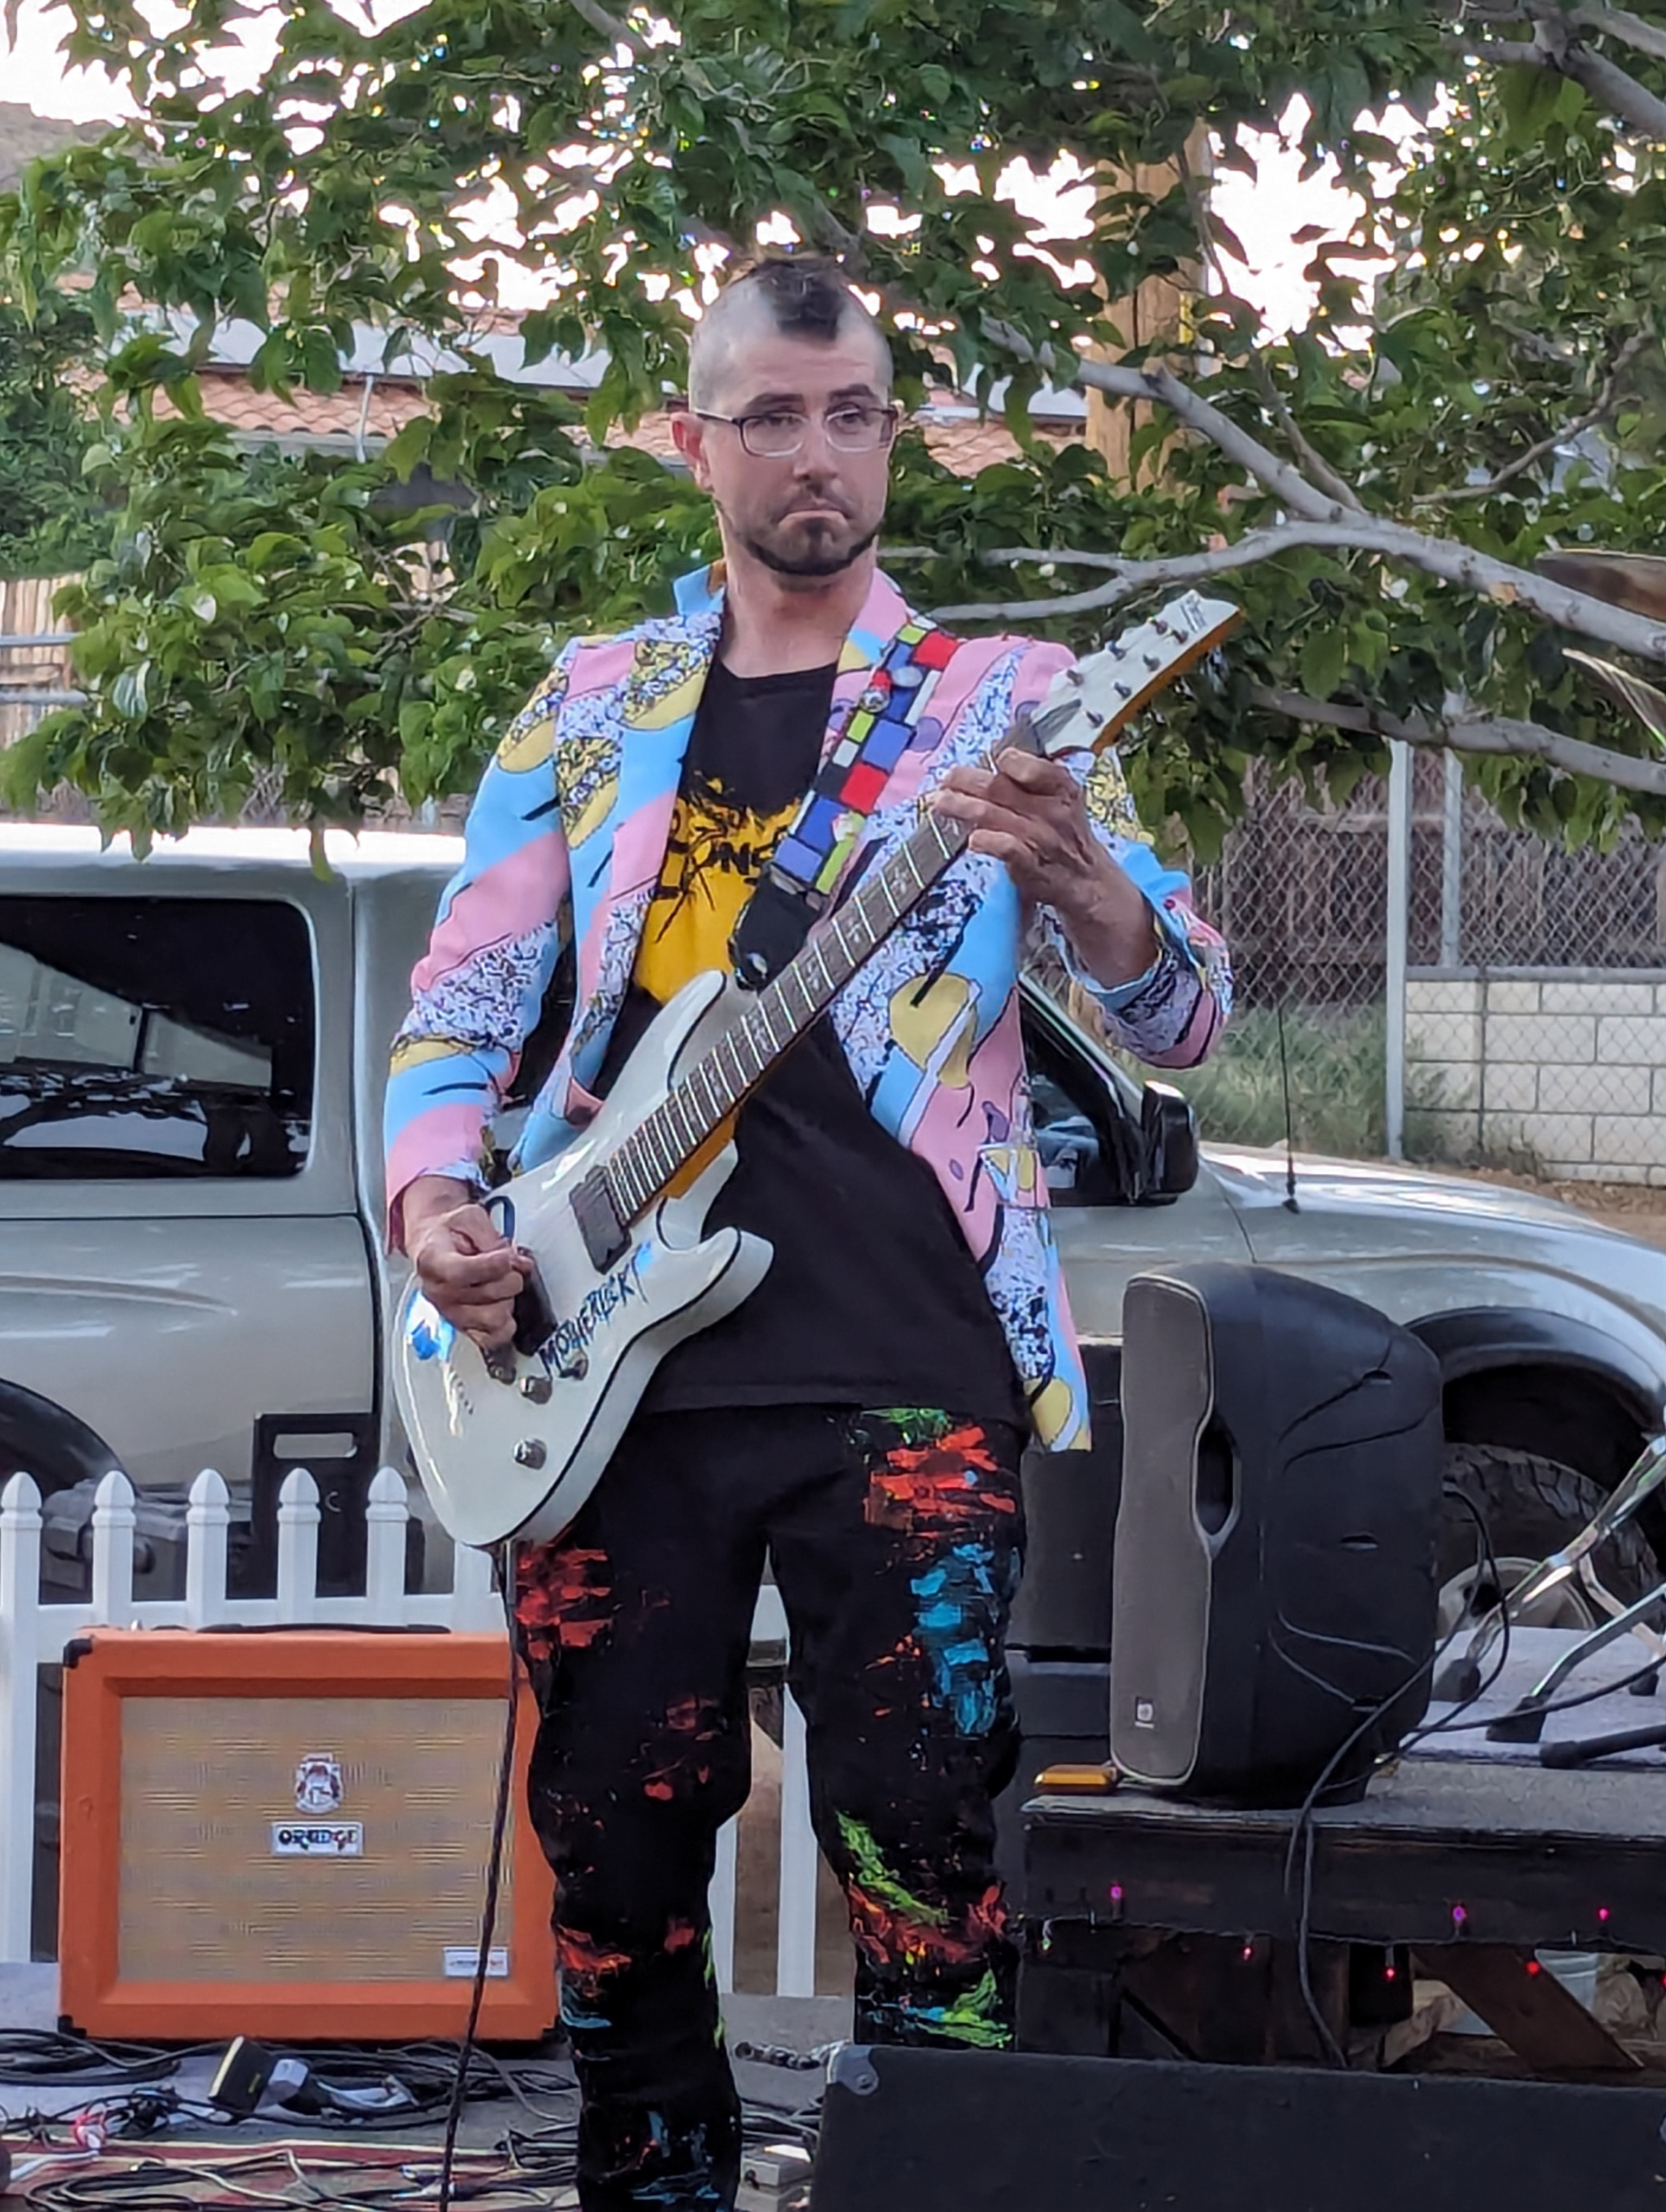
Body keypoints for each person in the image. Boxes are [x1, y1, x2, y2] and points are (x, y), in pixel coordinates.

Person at [385, 253, 1232, 2210]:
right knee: (612, 1856)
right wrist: (436, 1202)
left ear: (893, 438)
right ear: (693, 444)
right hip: (604, 1366)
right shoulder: (592, 703)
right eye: (770, 416)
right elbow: (464, 1002)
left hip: (909, 1361)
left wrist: (1090, 891)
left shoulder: (1003, 705)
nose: (817, 454)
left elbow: (1185, 1014)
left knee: (926, 1850)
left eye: (853, 414)